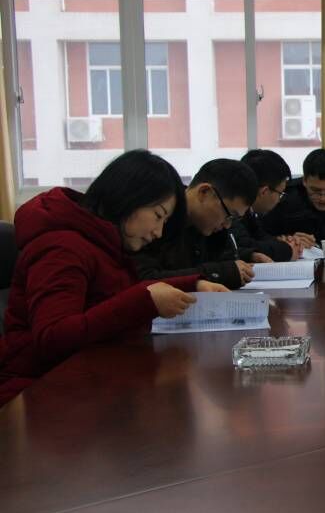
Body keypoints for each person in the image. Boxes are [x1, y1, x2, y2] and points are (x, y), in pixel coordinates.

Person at [0, 150, 227, 405]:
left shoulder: (101, 240)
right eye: (158, 215)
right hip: (34, 392)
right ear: (128, 198)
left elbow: (115, 295)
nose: (159, 232)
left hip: (83, 382)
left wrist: (193, 284)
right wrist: (143, 301)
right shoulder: (62, 247)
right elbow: (53, 338)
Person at [134, 158, 259, 290]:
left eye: (234, 219)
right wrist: (216, 273)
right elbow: (143, 279)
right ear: (204, 192)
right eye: (229, 215)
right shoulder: (155, 219)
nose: (227, 225)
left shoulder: (208, 229)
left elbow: (224, 259)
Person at [262, 149, 325, 252]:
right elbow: (261, 236)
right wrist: (287, 240)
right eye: (315, 190)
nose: (323, 198)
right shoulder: (285, 199)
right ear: (304, 181)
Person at [234, 149, 315, 262]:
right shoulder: (234, 211)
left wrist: (286, 241)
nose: (279, 199)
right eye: (280, 193)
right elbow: (244, 245)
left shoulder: (249, 212)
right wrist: (288, 250)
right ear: (264, 192)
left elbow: (260, 236)